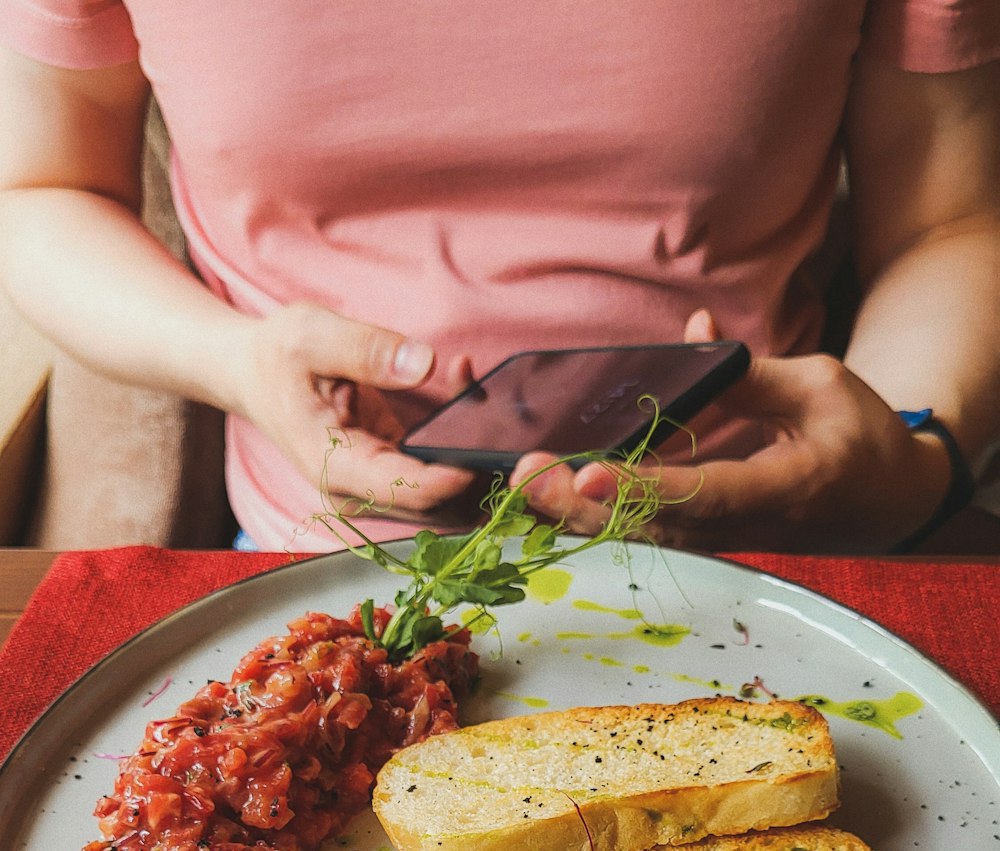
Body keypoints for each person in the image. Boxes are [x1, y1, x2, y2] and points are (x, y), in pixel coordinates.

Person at [0, 1, 997, 555]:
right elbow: (42, 189)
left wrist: (917, 447)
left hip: (763, 543)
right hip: (325, 565)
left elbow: (951, 217)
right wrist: (231, 358)